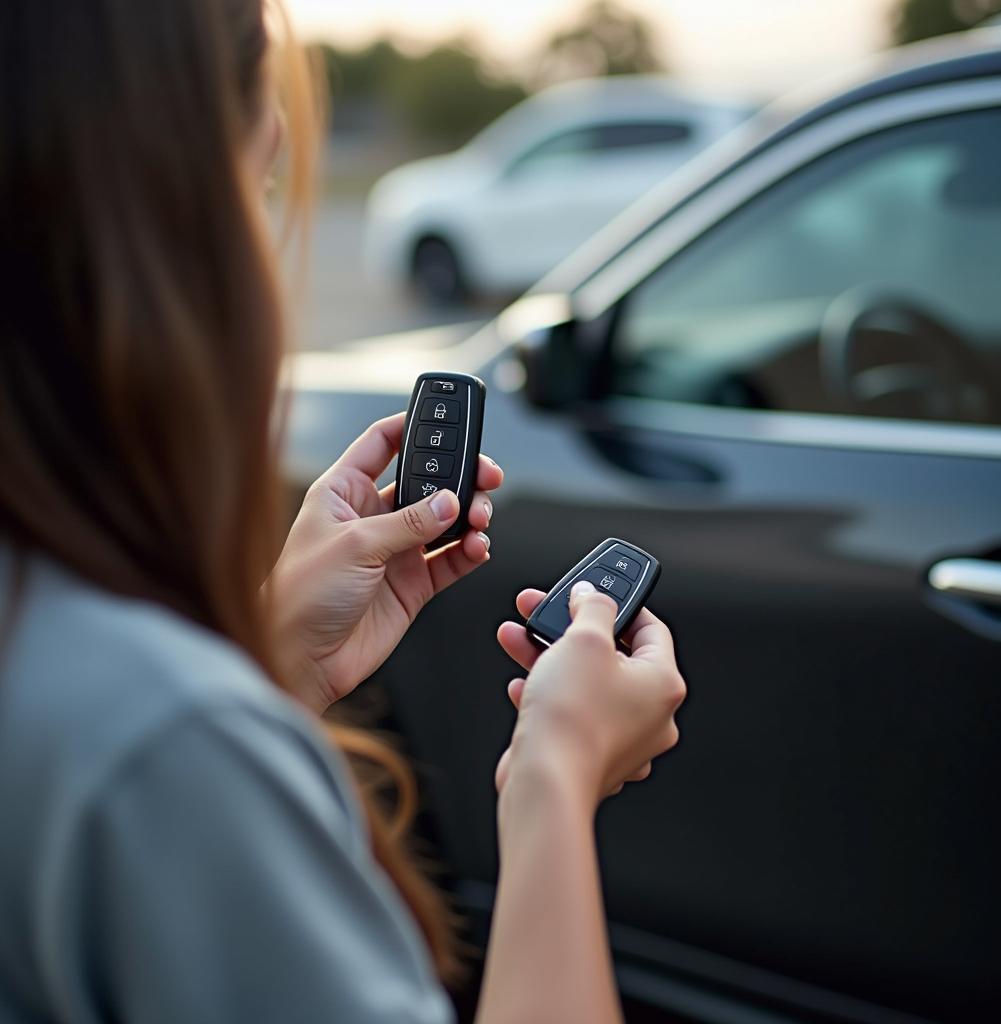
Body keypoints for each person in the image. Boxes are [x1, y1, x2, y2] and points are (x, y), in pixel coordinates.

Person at [0, 1, 686, 1022]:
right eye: (259, 180)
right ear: (157, 224)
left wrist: (282, 663)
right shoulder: (166, 740)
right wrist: (554, 775)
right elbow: (145, 760)